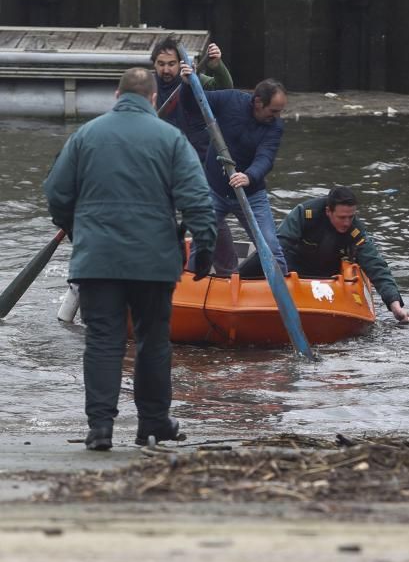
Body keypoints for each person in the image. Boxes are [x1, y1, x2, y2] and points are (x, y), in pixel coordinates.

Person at [43, 67, 217, 451]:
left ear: (116, 96)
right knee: (152, 341)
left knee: (103, 340)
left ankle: (100, 427)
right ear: (153, 99)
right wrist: (203, 254)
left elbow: (55, 192)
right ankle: (153, 425)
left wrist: (78, 230)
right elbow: (198, 202)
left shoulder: (85, 135)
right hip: (153, 262)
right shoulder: (171, 138)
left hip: (97, 260)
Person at [239, 185, 409, 323]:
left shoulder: (355, 230)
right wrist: (240, 277)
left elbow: (376, 265)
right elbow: (278, 247)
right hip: (293, 267)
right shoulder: (305, 214)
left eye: (351, 217)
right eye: (342, 217)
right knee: (266, 255)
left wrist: (394, 304)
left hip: (328, 276)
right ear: (329, 211)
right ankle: (234, 277)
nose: (347, 223)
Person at [180, 66, 289, 275]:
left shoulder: (275, 126)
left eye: (280, 111)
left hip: (251, 194)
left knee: (271, 247)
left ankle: (282, 292)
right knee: (201, 243)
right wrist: (186, 85)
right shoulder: (230, 100)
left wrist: (249, 176)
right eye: (273, 111)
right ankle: (191, 292)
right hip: (215, 190)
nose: (277, 116)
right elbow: (193, 105)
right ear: (258, 102)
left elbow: (266, 157)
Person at [152, 36, 236, 275]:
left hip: (199, 161)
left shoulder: (198, 80)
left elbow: (226, 88)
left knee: (210, 215)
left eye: (171, 64)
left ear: (180, 64)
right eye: (161, 64)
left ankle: (228, 271)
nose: (166, 69)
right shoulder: (148, 88)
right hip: (163, 163)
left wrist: (217, 65)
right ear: (154, 65)